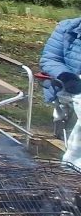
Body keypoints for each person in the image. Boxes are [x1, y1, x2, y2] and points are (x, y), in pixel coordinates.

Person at [41, 16, 81, 168]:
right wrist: (67, 77)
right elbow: (50, 59)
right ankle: (75, 164)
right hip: (69, 85)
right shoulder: (67, 29)